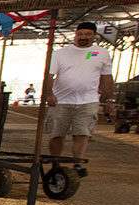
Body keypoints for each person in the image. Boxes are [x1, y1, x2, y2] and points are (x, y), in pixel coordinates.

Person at [42, 21, 115, 174]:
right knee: (56, 133)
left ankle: (77, 163)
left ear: (94, 36)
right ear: (75, 35)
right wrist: (49, 94)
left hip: (88, 100)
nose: (83, 37)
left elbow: (107, 77)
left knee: (82, 133)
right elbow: (49, 75)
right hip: (61, 100)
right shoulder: (61, 53)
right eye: (80, 34)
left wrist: (110, 99)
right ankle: (55, 162)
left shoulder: (101, 53)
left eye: (88, 34)